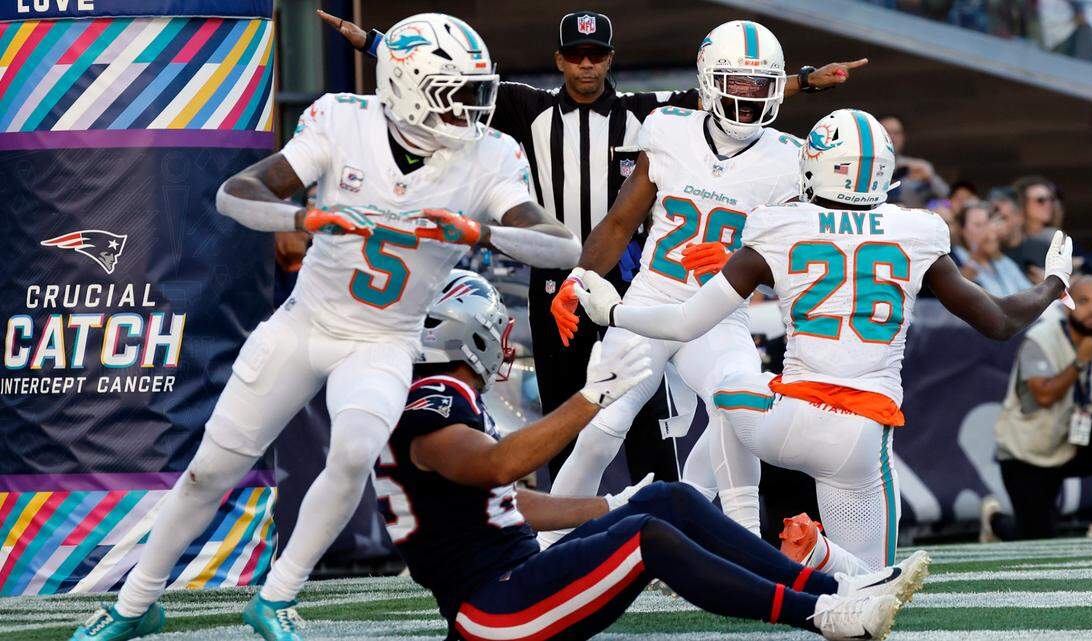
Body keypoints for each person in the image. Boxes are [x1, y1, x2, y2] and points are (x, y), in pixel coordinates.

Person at [70, 14, 582, 641]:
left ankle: (277, 597)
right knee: (211, 470)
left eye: (477, 93)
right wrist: (302, 218)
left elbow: (562, 246)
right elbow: (237, 194)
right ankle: (134, 603)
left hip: (385, 338)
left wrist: (481, 231)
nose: (469, 112)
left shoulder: (488, 157)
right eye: (454, 94)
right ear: (407, 85)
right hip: (304, 324)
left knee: (354, 452)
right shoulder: (343, 120)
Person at [319, 8, 867, 482]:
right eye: (576, 55)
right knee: (566, 403)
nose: (586, 65)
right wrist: (375, 43)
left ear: (609, 60)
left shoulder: (645, 112)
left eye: (595, 55)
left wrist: (805, 82)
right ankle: (575, 521)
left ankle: (662, 510)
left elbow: (730, 92)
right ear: (560, 60)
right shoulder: (529, 108)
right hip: (558, 274)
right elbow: (450, 78)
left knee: (640, 407)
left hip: (631, 276)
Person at [571, 108, 1075, 575]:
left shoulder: (778, 227)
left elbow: (683, 323)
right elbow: (1000, 322)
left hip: (781, 419)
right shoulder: (915, 231)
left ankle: (744, 536)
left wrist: (614, 310)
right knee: (871, 583)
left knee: (730, 387)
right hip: (860, 432)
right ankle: (817, 551)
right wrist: (1053, 285)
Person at [378, 270, 929, 641]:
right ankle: (821, 614)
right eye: (492, 323)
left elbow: (507, 502)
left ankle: (833, 588)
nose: (503, 335)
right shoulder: (434, 400)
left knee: (669, 499)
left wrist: (608, 504)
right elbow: (498, 469)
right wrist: (589, 399)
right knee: (648, 536)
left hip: (514, 579)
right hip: (493, 610)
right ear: (464, 333)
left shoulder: (442, 399)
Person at [546, 19, 820, 546]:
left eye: (760, 83)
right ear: (707, 79)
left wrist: (746, 259)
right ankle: (543, 545)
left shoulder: (789, 159)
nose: (748, 94)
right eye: (735, 81)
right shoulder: (668, 129)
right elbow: (622, 220)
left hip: (718, 311)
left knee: (740, 409)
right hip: (652, 300)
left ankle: (729, 536)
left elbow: (794, 261)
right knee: (600, 430)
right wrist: (578, 278)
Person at [983, 275, 1092, 541]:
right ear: (1068, 305)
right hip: (1028, 452)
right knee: (1036, 538)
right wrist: (1080, 361)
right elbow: (1043, 396)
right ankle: (994, 520)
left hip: (1071, 442)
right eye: (1084, 301)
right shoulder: (1040, 339)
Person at [954, 203, 1034, 297]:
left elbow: (1030, 294)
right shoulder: (954, 258)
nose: (988, 231)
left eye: (988, 224)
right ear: (962, 231)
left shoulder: (1003, 261)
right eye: (978, 225)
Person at [879, 115, 949, 209]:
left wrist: (930, 178)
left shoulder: (918, 167)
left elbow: (946, 196)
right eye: (887, 132)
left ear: (903, 137)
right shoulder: (866, 166)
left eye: (896, 133)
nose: (892, 137)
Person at [1014, 175, 1062, 241]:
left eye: (1051, 199)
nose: (1049, 204)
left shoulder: (1054, 237)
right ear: (1022, 203)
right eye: (1040, 200)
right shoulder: (1011, 239)